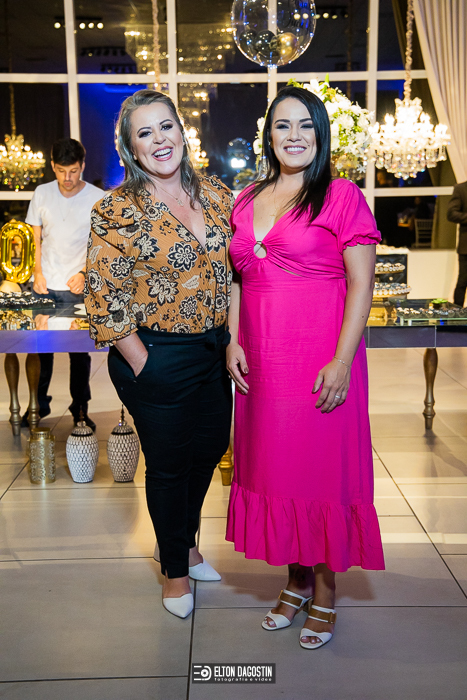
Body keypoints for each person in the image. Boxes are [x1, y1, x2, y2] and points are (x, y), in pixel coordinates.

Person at [226, 86, 385, 650]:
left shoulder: (341, 195)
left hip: (320, 357)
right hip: (262, 361)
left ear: (320, 134)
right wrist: (231, 340)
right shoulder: (247, 199)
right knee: (278, 471)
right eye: (282, 125)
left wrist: (342, 360)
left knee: (320, 474)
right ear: (268, 136)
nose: (293, 136)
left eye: (304, 125)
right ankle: (294, 580)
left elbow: (362, 284)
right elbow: (238, 279)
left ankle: (325, 589)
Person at [84, 90, 234, 619]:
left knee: (209, 448)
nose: (159, 140)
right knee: (169, 465)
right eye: (144, 133)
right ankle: (175, 571)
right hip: (155, 351)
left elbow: (237, 270)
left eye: (166, 126)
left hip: (213, 349)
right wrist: (142, 360)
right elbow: (103, 295)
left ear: (182, 131)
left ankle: (184, 544)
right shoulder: (116, 210)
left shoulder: (216, 194)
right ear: (131, 148)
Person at [24, 138, 103, 429]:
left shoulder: (96, 197)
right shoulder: (42, 193)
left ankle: (80, 409)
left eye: (73, 171)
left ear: (82, 166)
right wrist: (37, 273)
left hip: (77, 287)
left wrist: (84, 273)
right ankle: (37, 406)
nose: (67, 178)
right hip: (44, 285)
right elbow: (34, 238)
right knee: (40, 350)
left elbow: (101, 244)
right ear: (52, 166)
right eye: (60, 171)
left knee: (79, 354)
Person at [447, 181, 467, 307]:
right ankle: (457, 314)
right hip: (466, 247)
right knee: (463, 281)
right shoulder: (461, 189)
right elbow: (451, 213)